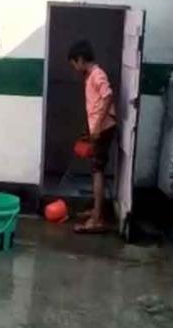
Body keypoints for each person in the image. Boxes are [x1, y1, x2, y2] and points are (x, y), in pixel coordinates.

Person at [68, 40, 116, 234]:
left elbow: (108, 96)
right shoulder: (91, 75)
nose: (74, 67)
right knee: (95, 169)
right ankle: (96, 211)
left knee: (97, 171)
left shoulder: (97, 74)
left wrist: (97, 127)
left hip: (103, 129)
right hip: (99, 127)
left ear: (80, 59)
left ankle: (97, 219)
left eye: (74, 63)